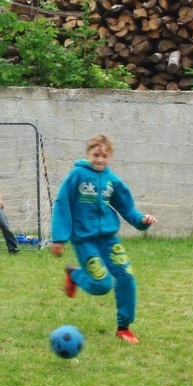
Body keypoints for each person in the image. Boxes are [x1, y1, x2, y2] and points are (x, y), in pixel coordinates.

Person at [50, 133, 157, 344]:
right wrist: (59, 238)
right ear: (88, 153)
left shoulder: (111, 180)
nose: (100, 160)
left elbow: (127, 207)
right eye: (96, 155)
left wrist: (141, 220)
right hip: (84, 240)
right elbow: (62, 203)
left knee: (126, 276)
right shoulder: (77, 175)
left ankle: (124, 327)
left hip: (109, 240)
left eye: (104, 156)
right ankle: (74, 275)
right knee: (102, 284)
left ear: (110, 157)